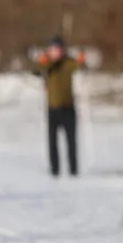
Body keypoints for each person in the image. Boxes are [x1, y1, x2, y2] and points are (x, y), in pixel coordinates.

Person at [31, 36, 85, 177]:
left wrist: (81, 59)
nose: (55, 53)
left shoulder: (67, 63)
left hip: (68, 107)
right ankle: (55, 169)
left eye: (58, 50)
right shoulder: (47, 65)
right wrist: (43, 62)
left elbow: (79, 66)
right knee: (52, 141)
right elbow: (37, 71)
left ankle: (73, 169)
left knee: (71, 141)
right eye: (52, 50)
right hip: (52, 108)